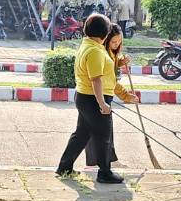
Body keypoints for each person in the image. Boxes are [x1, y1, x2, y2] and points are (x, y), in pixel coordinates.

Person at [55, 13, 136, 184]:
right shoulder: (95, 51)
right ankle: (104, 172)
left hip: (85, 97)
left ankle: (64, 167)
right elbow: (96, 80)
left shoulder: (88, 45)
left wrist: (118, 64)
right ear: (105, 33)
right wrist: (102, 103)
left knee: (82, 134)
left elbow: (104, 73)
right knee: (103, 135)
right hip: (93, 98)